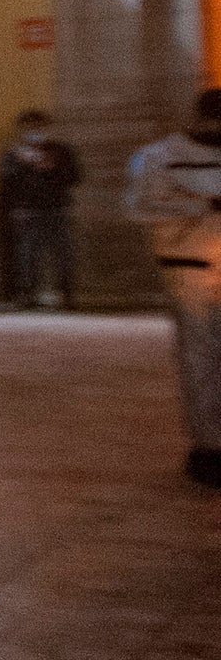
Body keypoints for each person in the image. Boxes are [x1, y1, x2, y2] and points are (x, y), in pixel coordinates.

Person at [124, 87, 221, 488]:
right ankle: (209, 448)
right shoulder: (158, 157)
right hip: (191, 269)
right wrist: (201, 206)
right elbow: (139, 207)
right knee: (201, 359)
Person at [0, 112, 83, 308]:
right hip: (28, 211)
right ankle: (27, 294)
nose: (35, 133)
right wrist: (23, 165)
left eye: (39, 128)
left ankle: (66, 295)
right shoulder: (13, 154)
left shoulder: (61, 151)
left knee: (63, 253)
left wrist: (52, 167)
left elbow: (75, 176)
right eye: (29, 129)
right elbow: (7, 181)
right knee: (28, 254)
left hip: (57, 208)